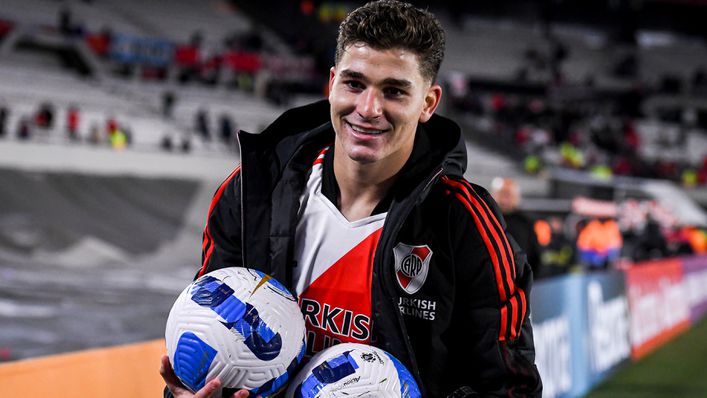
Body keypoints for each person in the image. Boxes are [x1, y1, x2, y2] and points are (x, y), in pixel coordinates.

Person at [161, 1, 541, 397]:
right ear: (331, 84)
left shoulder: (465, 222)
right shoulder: (254, 191)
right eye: (354, 84)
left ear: (428, 103)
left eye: (394, 91)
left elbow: (511, 387)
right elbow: (206, 331)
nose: (368, 109)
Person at [490, 177, 542, 277]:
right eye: (501, 194)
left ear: (517, 197)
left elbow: (535, 255)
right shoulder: (485, 219)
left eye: (509, 195)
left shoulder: (526, 222)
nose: (505, 199)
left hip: (519, 280)